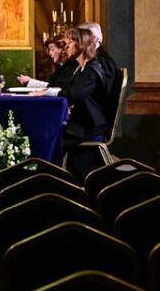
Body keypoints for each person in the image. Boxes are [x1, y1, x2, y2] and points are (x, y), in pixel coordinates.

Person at [34, 28, 109, 180]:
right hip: (81, 122)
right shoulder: (81, 68)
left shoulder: (91, 71)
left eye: (71, 42)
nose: (67, 45)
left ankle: (51, 178)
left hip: (89, 127)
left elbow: (72, 94)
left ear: (81, 45)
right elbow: (68, 90)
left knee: (49, 134)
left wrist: (46, 92)